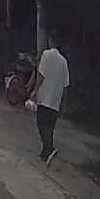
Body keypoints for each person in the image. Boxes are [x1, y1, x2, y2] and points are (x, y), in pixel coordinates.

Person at [27, 33, 70, 166]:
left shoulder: (46, 55)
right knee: (49, 127)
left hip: (45, 97)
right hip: (55, 101)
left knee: (41, 125)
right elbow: (66, 85)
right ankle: (45, 153)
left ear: (51, 41)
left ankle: (49, 149)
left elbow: (41, 76)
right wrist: (63, 104)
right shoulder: (64, 61)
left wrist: (35, 91)